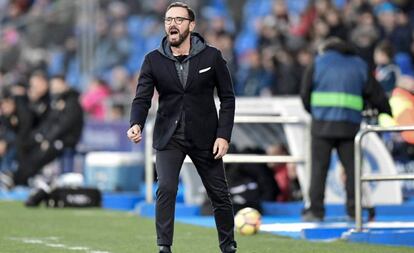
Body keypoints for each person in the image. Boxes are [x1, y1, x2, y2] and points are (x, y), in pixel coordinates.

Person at [127, 2, 237, 253]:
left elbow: (228, 98)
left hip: (206, 138)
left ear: (191, 25)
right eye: (168, 20)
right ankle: (164, 247)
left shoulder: (212, 56)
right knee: (165, 188)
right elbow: (142, 98)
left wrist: (223, 136)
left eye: (178, 19)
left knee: (219, 194)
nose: (172, 24)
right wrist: (136, 123)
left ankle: (228, 246)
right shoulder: (153, 60)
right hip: (169, 136)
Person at [300, 37, 392, 222]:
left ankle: (315, 211)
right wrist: (386, 111)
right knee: (352, 171)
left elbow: (305, 94)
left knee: (318, 170)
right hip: (349, 127)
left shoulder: (318, 62)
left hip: (321, 126)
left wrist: (316, 113)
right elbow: (375, 93)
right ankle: (354, 211)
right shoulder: (359, 65)